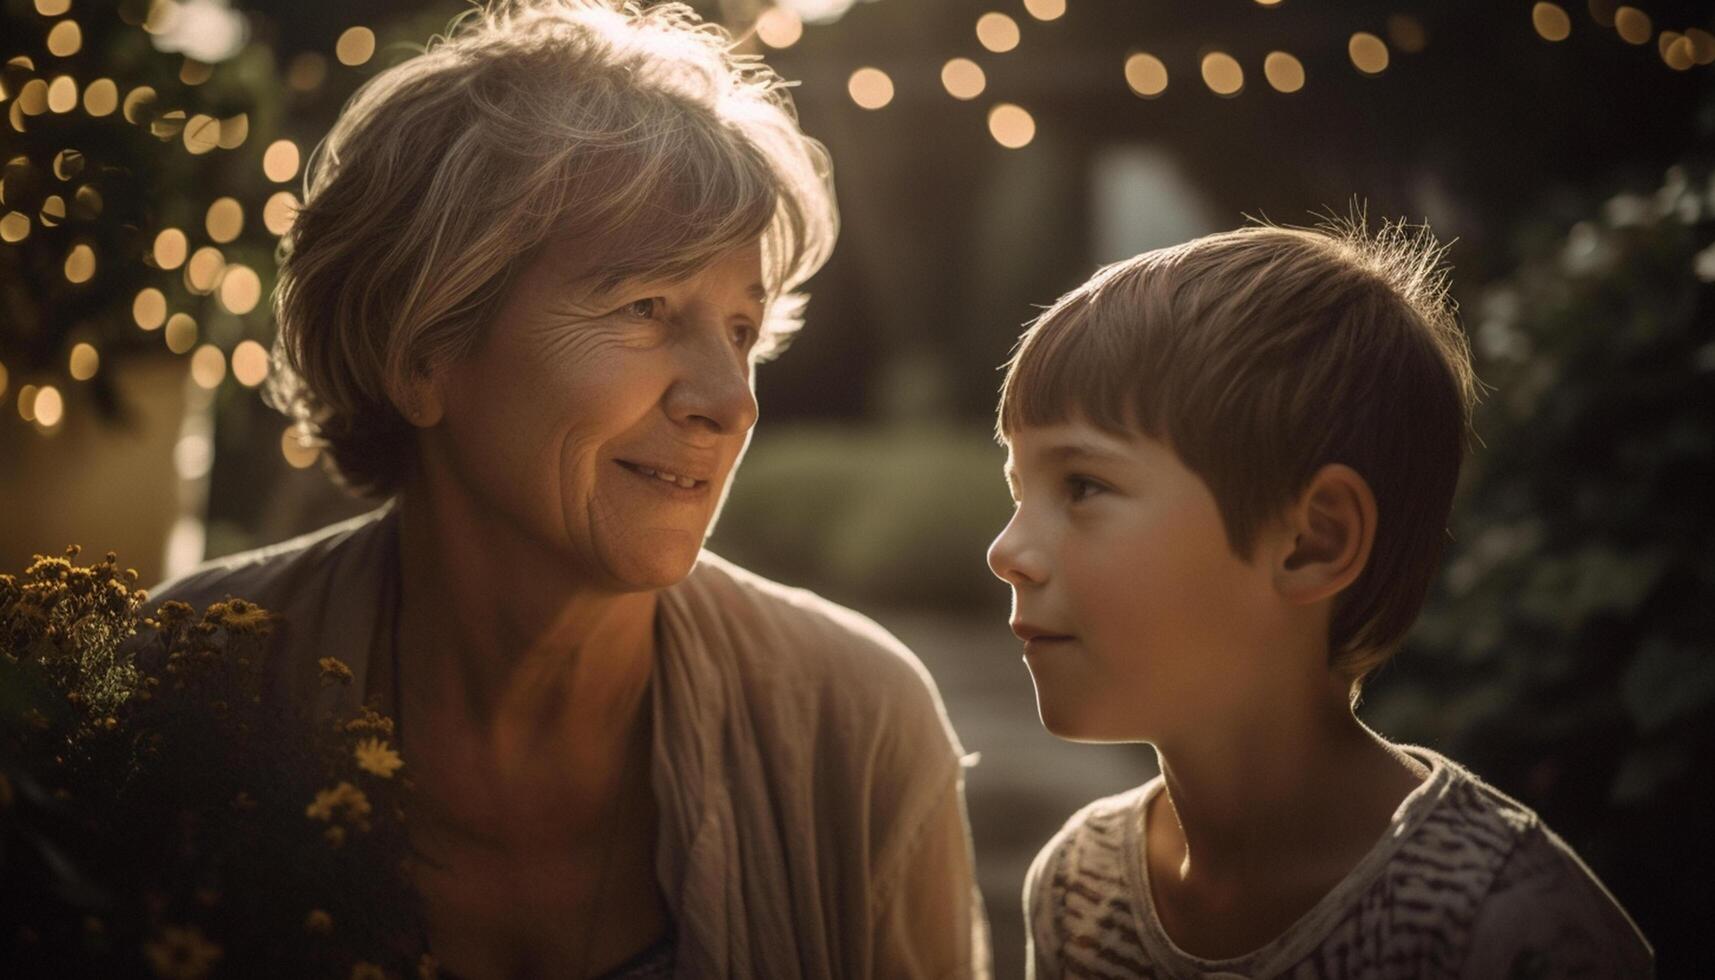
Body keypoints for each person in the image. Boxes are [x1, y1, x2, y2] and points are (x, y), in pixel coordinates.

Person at [148, 2, 989, 976]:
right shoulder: (180, 683)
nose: (731, 402)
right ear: (422, 354)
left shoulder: (859, 727)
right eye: (645, 307)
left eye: (739, 332)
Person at [986, 219, 1653, 978]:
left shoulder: (1503, 927)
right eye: (1018, 491)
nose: (1005, 553)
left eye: (1082, 485)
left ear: (1313, 542)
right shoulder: (1079, 886)